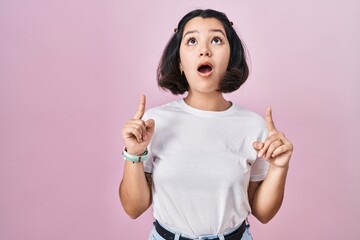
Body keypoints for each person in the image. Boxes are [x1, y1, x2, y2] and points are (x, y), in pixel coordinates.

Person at [120, 9, 294, 240]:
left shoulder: (253, 126)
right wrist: (134, 153)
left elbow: (262, 212)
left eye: (216, 40)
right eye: (192, 40)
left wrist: (280, 168)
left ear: (231, 58)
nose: (204, 49)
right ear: (180, 61)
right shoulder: (155, 123)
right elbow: (133, 209)